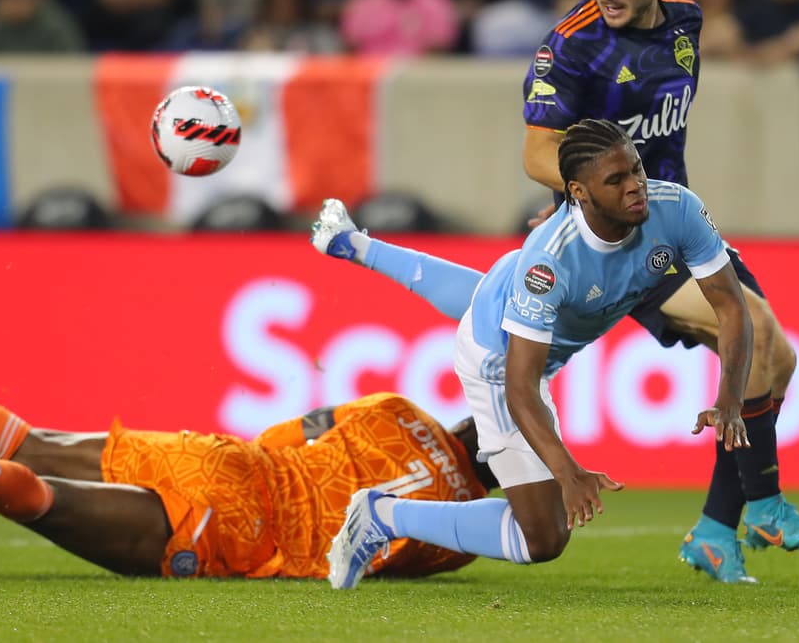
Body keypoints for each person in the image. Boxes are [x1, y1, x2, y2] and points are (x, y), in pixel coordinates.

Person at [516, 0, 799, 582]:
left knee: (775, 358)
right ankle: (765, 504)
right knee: (757, 329)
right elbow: (536, 150)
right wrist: (594, 190)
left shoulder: (686, 19)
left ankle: (717, 531)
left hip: (676, 222)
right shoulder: (571, 47)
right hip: (613, 238)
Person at [321, 119, 762, 590]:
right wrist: (567, 471)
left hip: (511, 295)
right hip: (497, 358)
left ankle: (354, 244)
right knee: (543, 537)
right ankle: (382, 515)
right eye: (616, 180)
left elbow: (732, 309)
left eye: (635, 170)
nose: (636, 187)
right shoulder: (549, 262)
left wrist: (730, 400)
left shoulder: (675, 207)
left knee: (478, 296)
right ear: (579, 192)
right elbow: (519, 387)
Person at [0, 356, 494, 580]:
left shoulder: (394, 406)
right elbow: (384, 560)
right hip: (243, 529)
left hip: (225, 460)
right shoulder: (458, 536)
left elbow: (291, 431)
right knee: (40, 501)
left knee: (30, 441)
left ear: (470, 418)